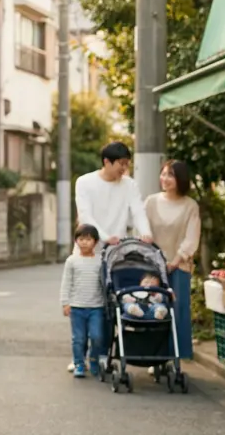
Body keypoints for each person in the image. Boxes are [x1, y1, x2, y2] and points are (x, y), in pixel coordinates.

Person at [70, 141, 152, 372]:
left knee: (109, 307)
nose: (124, 169)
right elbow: (85, 216)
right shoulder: (85, 182)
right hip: (88, 250)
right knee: (84, 305)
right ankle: (79, 357)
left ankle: (100, 355)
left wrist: (146, 233)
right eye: (121, 164)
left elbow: (138, 210)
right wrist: (105, 237)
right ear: (107, 162)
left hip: (117, 254)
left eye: (127, 164)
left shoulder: (129, 185)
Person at [145, 159, 200, 359]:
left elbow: (191, 237)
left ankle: (177, 357)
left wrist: (176, 261)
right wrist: (157, 261)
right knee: (153, 309)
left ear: (181, 179)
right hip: (152, 266)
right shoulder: (150, 202)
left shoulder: (190, 205)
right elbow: (143, 233)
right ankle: (155, 356)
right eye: (163, 174)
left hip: (180, 266)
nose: (165, 178)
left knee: (178, 310)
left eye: (170, 175)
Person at [60, 224, 106, 378]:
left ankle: (93, 360)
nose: (84, 242)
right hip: (77, 307)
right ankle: (79, 364)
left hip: (96, 307)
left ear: (95, 242)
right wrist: (65, 303)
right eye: (81, 239)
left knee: (97, 336)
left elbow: (104, 283)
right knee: (79, 338)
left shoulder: (100, 261)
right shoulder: (71, 261)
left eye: (88, 239)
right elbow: (66, 283)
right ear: (76, 241)